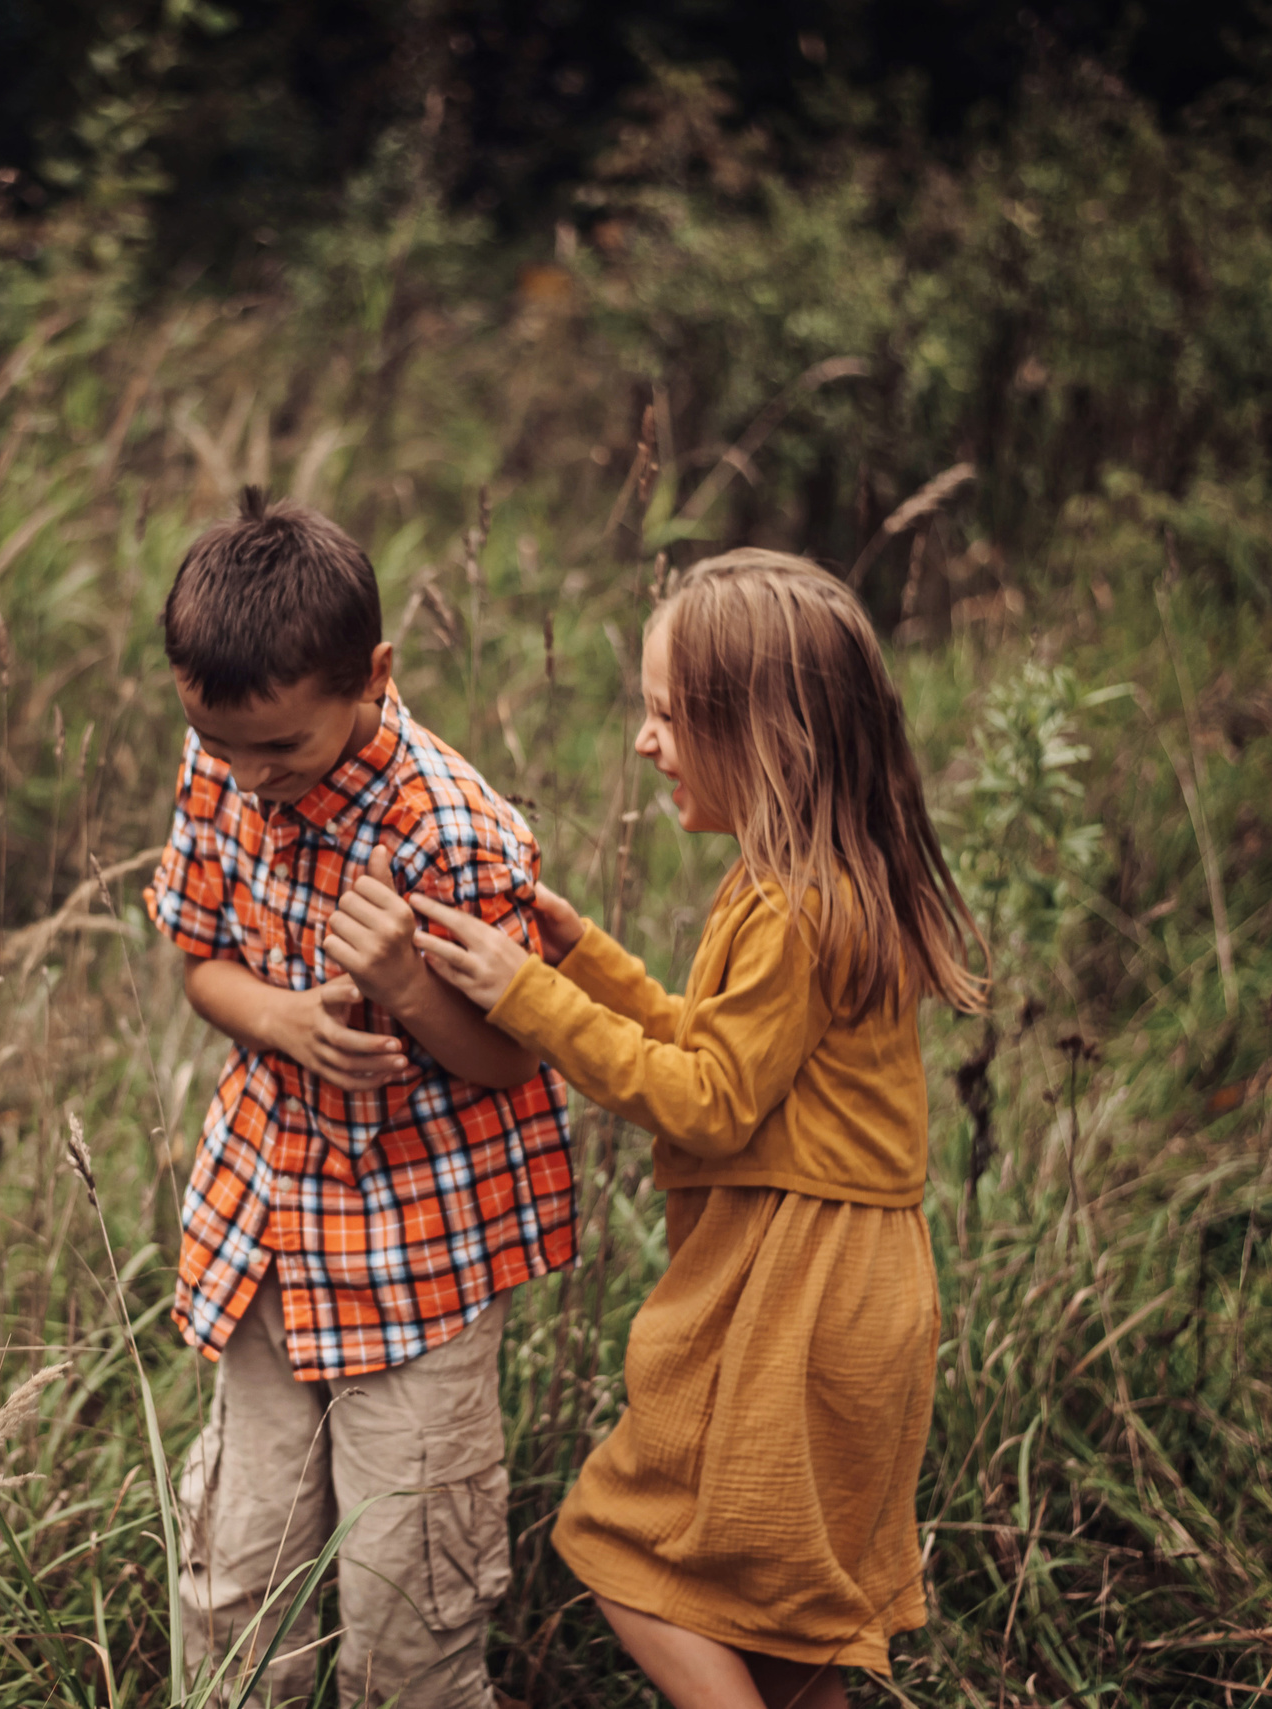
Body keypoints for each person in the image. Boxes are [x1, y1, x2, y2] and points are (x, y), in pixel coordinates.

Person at [407, 550, 987, 1709]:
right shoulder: (821, 880)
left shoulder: (788, 904)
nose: (644, 741)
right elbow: (722, 1050)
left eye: (668, 714)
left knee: (619, 1540)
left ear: (763, 735)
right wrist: (584, 959)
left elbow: (709, 1100)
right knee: (787, 1620)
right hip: (860, 1280)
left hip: (799, 1288)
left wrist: (529, 996)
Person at [143, 486, 577, 1709]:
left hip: (421, 1262)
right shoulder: (224, 757)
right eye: (218, 741)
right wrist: (283, 1018)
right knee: (238, 1576)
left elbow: (513, 1061)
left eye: (279, 749)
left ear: (373, 675)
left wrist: (406, 986)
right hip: (272, 1231)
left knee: (407, 1605)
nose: (247, 777)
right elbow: (200, 962)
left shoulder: (450, 831)